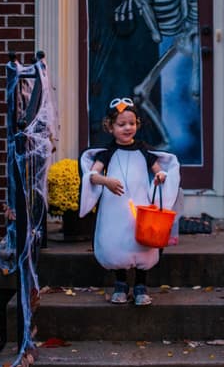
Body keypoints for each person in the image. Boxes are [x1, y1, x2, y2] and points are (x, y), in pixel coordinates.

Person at [78, 97, 181, 306]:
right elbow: (91, 175)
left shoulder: (143, 149)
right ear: (110, 126)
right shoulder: (108, 152)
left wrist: (161, 176)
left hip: (141, 204)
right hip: (114, 207)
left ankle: (141, 285)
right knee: (118, 242)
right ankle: (121, 283)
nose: (127, 128)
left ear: (138, 124)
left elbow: (158, 170)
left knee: (143, 241)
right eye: (122, 124)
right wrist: (105, 181)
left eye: (131, 123)